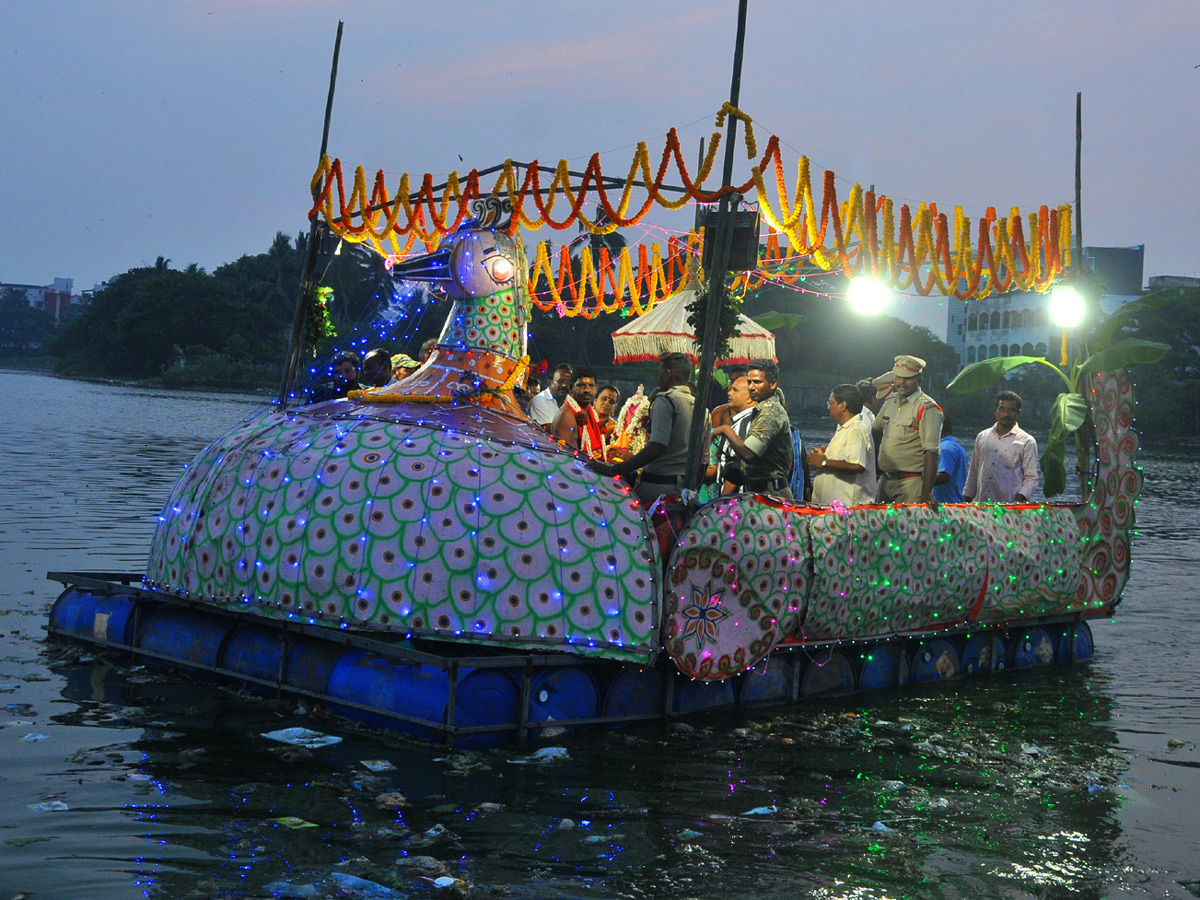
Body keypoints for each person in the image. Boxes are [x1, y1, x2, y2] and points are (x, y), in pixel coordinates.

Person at [598, 353, 695, 506]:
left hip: (656, 489)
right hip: (684, 492)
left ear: (667, 374)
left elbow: (657, 447)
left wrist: (618, 469)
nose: (658, 378)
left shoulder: (665, 400)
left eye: (660, 372)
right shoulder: (702, 409)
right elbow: (703, 461)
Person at [710, 359, 794, 498]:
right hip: (761, 492)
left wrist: (726, 429)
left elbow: (749, 453)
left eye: (757, 382)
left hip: (771, 495)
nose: (752, 387)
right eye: (749, 382)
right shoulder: (761, 410)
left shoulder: (770, 412)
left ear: (772, 384)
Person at [872, 354, 943, 505]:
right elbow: (875, 431)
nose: (902, 382)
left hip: (911, 484)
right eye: (898, 377)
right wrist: (876, 470)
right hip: (885, 481)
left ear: (919, 381)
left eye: (908, 378)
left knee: (909, 528)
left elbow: (931, 452)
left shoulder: (926, 407)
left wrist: (926, 494)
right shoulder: (890, 401)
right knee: (881, 527)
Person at [963, 390, 1040, 503]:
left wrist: (1017, 502)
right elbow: (974, 472)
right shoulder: (982, 437)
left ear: (1018, 413)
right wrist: (966, 500)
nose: (1006, 414)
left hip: (1011, 511)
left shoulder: (1027, 442)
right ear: (995, 411)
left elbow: (1031, 478)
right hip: (983, 509)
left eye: (1011, 410)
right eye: (1002, 409)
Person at [808, 383, 876, 507]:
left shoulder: (856, 429)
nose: (828, 407)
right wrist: (824, 457)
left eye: (831, 403)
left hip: (847, 510)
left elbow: (857, 465)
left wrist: (823, 462)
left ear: (843, 405)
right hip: (836, 509)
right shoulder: (846, 428)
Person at [708, 375, 757, 495]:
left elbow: (738, 466)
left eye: (735, 390)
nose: (729, 393)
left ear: (749, 398)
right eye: (730, 389)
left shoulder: (745, 422)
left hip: (736, 502)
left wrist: (722, 500)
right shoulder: (748, 419)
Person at [552, 367, 606, 461]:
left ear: (596, 389)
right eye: (581, 385)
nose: (587, 390)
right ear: (571, 388)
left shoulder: (591, 412)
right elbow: (563, 458)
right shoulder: (566, 416)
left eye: (591, 385)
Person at [933, 412, 969, 503]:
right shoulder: (957, 447)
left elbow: (945, 476)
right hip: (956, 502)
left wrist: (920, 481)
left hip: (945, 504)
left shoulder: (944, 448)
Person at [528, 363, 572, 428]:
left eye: (568, 382)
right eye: (560, 381)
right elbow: (550, 430)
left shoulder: (570, 402)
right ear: (550, 383)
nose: (564, 385)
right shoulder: (539, 401)